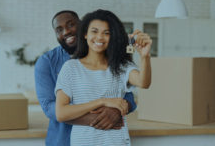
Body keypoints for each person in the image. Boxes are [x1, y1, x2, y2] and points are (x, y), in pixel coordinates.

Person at [35, 10, 137, 146]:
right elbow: (49, 107)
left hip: (105, 139)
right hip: (62, 140)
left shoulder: (110, 59)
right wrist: (99, 119)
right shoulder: (47, 61)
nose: (66, 32)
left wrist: (117, 111)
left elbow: (128, 96)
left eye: (71, 25)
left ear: (83, 26)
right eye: (59, 30)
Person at [55, 9, 152, 146]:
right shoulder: (71, 68)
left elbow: (144, 82)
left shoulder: (121, 66)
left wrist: (145, 56)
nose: (100, 37)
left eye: (106, 33)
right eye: (94, 31)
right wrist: (102, 101)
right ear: (85, 34)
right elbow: (61, 113)